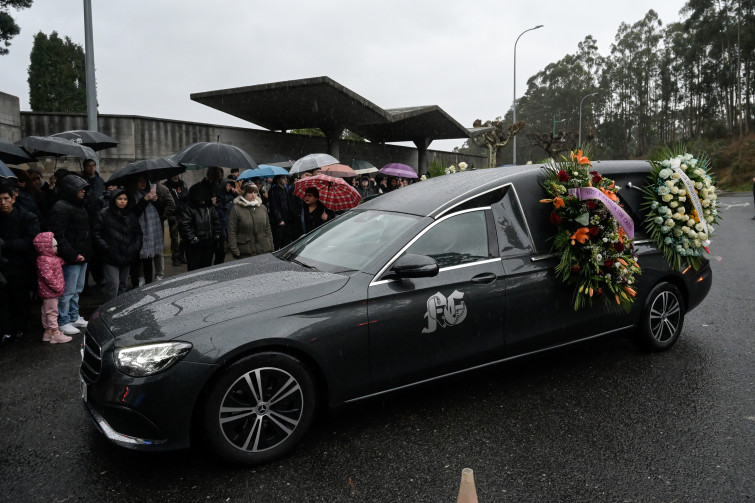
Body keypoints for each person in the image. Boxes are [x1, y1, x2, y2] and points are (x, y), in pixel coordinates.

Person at [46, 174, 91, 336]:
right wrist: (73, 254)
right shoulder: (61, 207)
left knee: (77, 289)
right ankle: (63, 320)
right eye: (80, 189)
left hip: (81, 255)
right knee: (67, 290)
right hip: (72, 257)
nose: (83, 192)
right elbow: (58, 235)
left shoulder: (79, 205)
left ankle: (73, 316)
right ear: (71, 190)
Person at [0, 183, 40, 343]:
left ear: (13, 199)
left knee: (19, 299)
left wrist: (6, 243)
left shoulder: (26, 217)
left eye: (5, 199)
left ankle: (20, 328)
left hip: (20, 267)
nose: (2, 202)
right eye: (0, 199)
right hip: (3, 267)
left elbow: (31, 241)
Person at [94, 188, 144, 299]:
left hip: (127, 255)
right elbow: (97, 234)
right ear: (113, 199)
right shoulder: (104, 214)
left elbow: (138, 234)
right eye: (119, 199)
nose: (122, 201)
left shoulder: (131, 215)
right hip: (110, 257)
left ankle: (120, 310)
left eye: (125, 199)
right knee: (113, 285)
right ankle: (109, 310)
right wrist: (107, 248)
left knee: (123, 285)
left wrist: (134, 248)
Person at [32, 232, 71, 344]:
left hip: (47, 292)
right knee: (52, 312)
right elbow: (47, 277)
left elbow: (59, 262)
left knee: (46, 311)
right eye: (54, 246)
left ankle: (47, 332)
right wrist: (58, 287)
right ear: (47, 247)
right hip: (50, 292)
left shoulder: (47, 258)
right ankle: (55, 333)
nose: (56, 248)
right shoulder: (45, 260)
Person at [126, 176, 163, 286]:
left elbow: (161, 211)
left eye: (144, 182)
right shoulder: (131, 195)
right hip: (137, 232)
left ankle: (148, 282)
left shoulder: (151, 193)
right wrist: (145, 199)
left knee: (148, 259)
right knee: (136, 260)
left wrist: (156, 201)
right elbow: (134, 213)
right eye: (139, 181)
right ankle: (136, 283)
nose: (142, 184)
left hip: (151, 233)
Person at [179, 183, 221, 271]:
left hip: (208, 242)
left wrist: (216, 234)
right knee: (195, 269)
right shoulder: (189, 208)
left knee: (206, 268)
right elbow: (185, 225)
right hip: (194, 245)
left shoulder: (210, 208)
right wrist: (192, 238)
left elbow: (216, 221)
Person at [227, 182, 273, 259]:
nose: (253, 195)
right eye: (250, 192)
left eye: (255, 192)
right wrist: (234, 249)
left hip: (263, 249)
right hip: (245, 251)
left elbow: (267, 228)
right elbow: (232, 230)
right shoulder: (236, 209)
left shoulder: (262, 208)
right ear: (244, 193)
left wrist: (271, 245)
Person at [269, 174, 299, 250]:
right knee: (277, 241)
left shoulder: (286, 189)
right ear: (278, 180)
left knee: (286, 242)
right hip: (279, 221)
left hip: (287, 219)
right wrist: (279, 219)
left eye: (286, 178)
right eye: (283, 178)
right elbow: (273, 206)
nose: (285, 179)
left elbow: (289, 204)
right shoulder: (273, 191)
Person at [163, 175, 188, 266]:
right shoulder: (166, 186)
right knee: (174, 237)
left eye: (177, 174)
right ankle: (175, 257)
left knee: (184, 236)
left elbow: (186, 195)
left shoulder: (182, 184)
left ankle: (182, 255)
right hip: (173, 215)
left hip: (183, 214)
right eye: (173, 175)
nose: (176, 177)